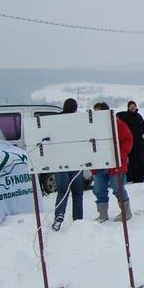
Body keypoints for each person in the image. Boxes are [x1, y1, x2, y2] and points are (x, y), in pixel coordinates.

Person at [92, 102, 133, 221]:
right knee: (99, 190)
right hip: (99, 163)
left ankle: (126, 212)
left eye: (98, 112)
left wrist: (120, 154)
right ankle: (102, 214)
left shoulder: (118, 124)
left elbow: (128, 139)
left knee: (118, 188)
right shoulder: (92, 127)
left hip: (115, 163)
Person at [51, 97, 83, 231]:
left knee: (62, 191)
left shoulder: (55, 121)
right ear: (75, 108)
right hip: (76, 160)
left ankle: (59, 217)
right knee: (77, 193)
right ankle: (78, 220)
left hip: (60, 161)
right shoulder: (78, 121)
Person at [116, 101, 144, 183]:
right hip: (129, 142)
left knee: (140, 159)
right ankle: (130, 177)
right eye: (131, 106)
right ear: (128, 107)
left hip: (139, 142)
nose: (133, 107)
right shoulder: (125, 117)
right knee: (131, 160)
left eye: (134, 106)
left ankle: (140, 177)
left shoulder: (139, 116)